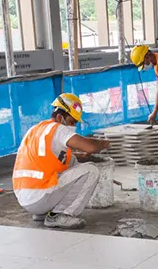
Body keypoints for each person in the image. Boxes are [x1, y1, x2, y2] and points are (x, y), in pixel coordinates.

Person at [12, 93, 110, 230]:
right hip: (40, 195)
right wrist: (104, 144)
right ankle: (60, 214)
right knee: (91, 170)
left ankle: (43, 212)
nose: (73, 126)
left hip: (26, 199)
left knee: (73, 161)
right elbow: (91, 146)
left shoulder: (34, 130)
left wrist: (77, 156)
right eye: (71, 122)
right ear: (60, 117)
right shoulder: (58, 128)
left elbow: (48, 157)